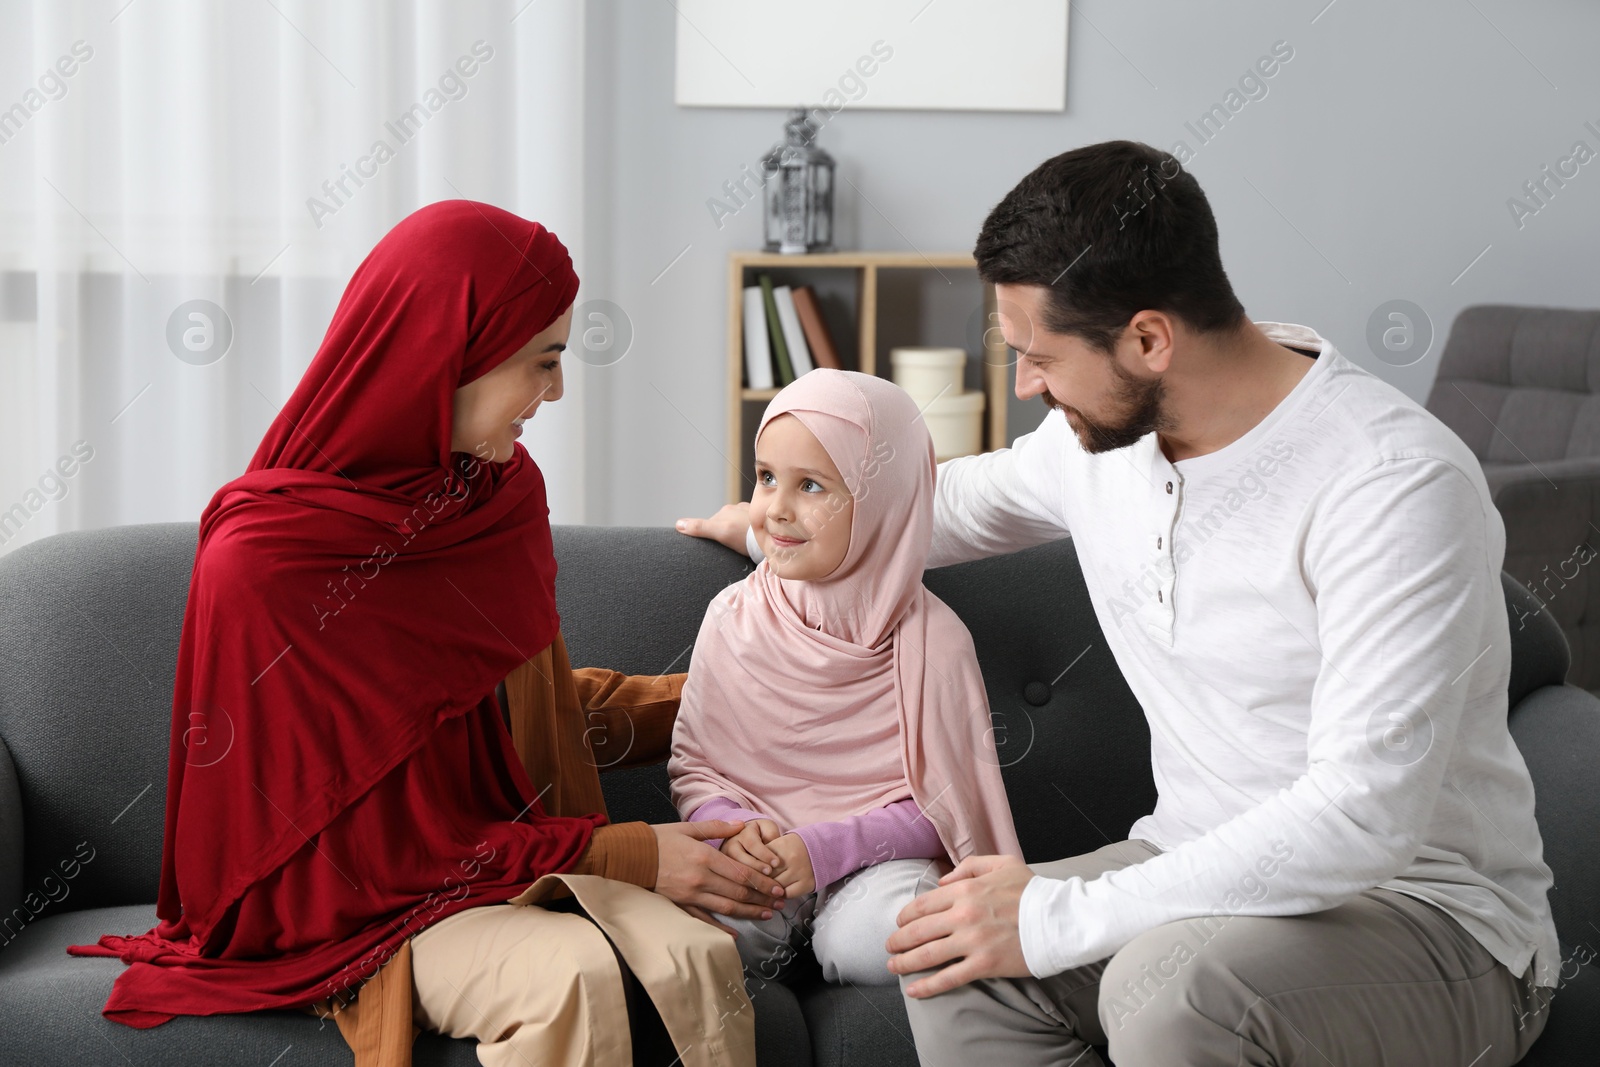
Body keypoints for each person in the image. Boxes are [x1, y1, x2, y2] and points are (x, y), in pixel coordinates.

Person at [677, 141, 1560, 1066]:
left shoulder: (1391, 483)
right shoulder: (1098, 445)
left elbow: (1362, 816)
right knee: (950, 950)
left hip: (1427, 913)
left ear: (1147, 339)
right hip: (1186, 863)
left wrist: (1061, 915)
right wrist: (770, 519)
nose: (1024, 385)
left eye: (1038, 355)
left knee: (1183, 998)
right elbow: (919, 510)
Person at [68, 200, 785, 1067]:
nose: (556, 392)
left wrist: (747, 695)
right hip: (355, 910)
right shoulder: (269, 562)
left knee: (699, 953)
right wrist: (627, 852)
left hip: (503, 868)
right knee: (566, 973)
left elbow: (527, 713)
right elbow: (337, 849)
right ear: (450, 356)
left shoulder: (496, 496)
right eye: (544, 362)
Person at [669, 369, 1021, 988]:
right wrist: (731, 827)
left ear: (882, 499)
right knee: (690, 938)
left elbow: (948, 805)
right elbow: (694, 764)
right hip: (758, 856)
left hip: (875, 864)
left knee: (875, 937)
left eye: (811, 485)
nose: (776, 507)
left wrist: (826, 848)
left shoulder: (935, 642)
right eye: (766, 477)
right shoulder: (733, 615)